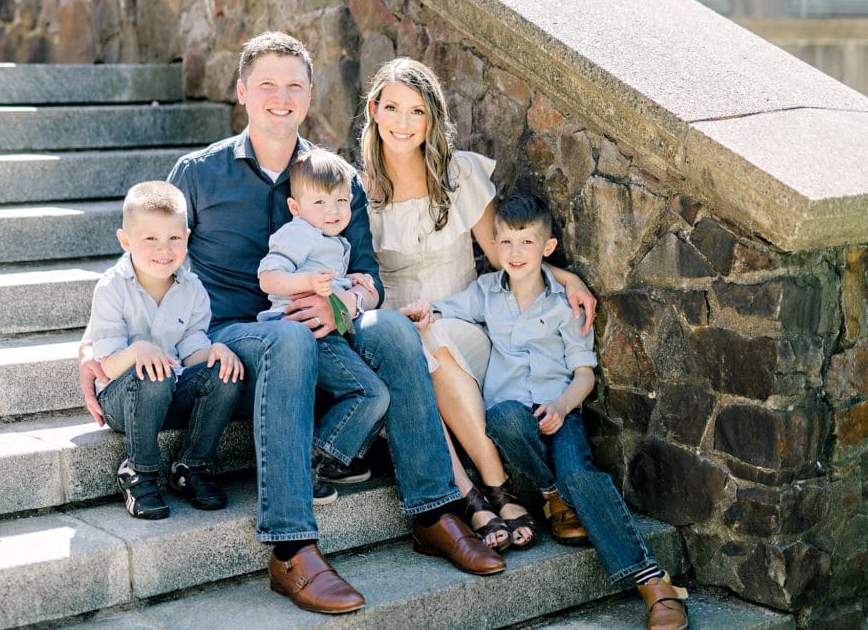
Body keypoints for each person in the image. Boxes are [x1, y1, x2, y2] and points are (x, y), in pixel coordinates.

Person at [80, 31, 503, 616]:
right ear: (243, 93)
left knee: (394, 330)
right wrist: (92, 345)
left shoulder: (332, 176)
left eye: (294, 86)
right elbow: (144, 249)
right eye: (267, 85)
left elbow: (368, 274)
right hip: (233, 335)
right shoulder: (199, 173)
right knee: (284, 337)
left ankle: (434, 511)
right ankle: (291, 546)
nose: (281, 97)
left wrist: (346, 305)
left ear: (309, 96)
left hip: (324, 327)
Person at [408, 194, 688, 630]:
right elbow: (444, 310)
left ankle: (652, 582)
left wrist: (560, 405)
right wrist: (424, 315)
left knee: (580, 476)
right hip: (514, 422)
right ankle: (552, 492)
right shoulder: (486, 292)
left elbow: (585, 375)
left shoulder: (565, 304)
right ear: (495, 246)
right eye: (505, 242)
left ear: (548, 247)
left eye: (526, 242)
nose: (515, 253)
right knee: (500, 417)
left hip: (561, 412)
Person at [359, 58, 597, 551]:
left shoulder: (459, 173)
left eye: (417, 112)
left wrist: (564, 275)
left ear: (432, 120)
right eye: (394, 109)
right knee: (410, 351)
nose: (404, 124)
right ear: (374, 111)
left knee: (433, 341)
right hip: (397, 327)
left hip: (465, 328)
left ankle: (488, 482)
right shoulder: (359, 194)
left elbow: (504, 256)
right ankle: (481, 493)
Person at [88, 181, 244, 519]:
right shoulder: (112, 289)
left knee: (224, 374)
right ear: (125, 241)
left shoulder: (192, 289)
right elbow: (109, 366)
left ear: (186, 237)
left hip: (172, 391)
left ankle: (192, 465)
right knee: (150, 376)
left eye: (174, 238)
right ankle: (140, 473)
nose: (164, 249)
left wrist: (216, 352)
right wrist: (138, 350)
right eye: (150, 239)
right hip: (123, 399)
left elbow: (192, 351)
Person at [257, 147, 388, 505]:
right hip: (302, 328)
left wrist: (350, 283)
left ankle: (333, 460)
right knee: (369, 393)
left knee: (375, 390)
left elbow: (333, 283)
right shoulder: (298, 233)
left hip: (327, 330)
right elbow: (268, 278)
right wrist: (309, 282)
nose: (333, 211)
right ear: (296, 208)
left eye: (342, 201)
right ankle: (311, 461)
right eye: (320, 203)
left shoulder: (332, 240)